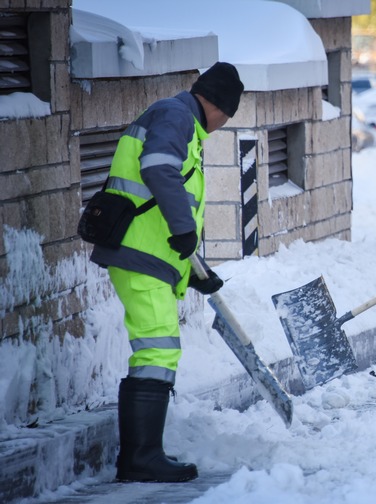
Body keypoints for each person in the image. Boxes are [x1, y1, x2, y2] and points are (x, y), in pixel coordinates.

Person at [89, 62, 244, 482]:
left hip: (151, 255)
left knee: (158, 349)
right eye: (227, 117)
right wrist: (183, 229)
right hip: (139, 256)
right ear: (217, 105)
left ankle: (142, 455)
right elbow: (158, 169)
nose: (221, 125)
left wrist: (195, 270)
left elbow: (167, 201)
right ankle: (141, 458)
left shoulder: (180, 121)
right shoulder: (176, 117)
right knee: (157, 350)